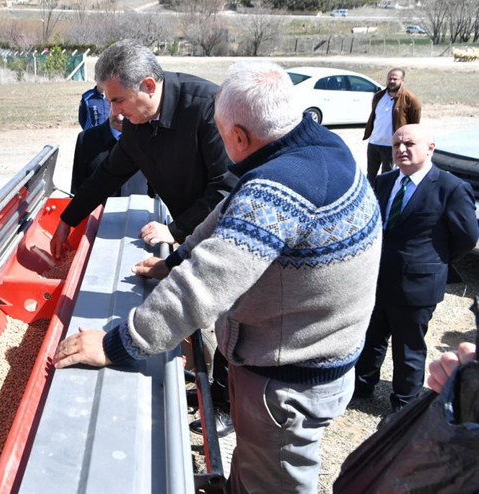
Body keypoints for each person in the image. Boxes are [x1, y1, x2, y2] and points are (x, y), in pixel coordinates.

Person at [53, 60, 383, 493]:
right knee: (253, 465)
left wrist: (115, 344)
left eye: (225, 136)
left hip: (286, 382)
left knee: (276, 480)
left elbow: (203, 288)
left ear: (241, 137)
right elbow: (226, 215)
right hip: (311, 353)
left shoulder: (278, 192)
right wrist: (173, 260)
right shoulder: (321, 148)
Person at [51, 39, 234, 259]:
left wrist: (175, 230)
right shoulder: (136, 123)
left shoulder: (208, 107)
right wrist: (67, 219)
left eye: (119, 100)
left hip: (230, 239)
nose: (115, 112)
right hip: (193, 236)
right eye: (109, 101)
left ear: (148, 86)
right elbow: (109, 173)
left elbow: (227, 187)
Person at [354, 124, 479, 419]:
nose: (401, 150)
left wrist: (434, 261)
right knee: (372, 337)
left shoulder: (450, 187)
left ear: (430, 148)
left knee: (408, 347)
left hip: (417, 285)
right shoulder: (384, 181)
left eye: (409, 144)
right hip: (379, 279)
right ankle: (362, 386)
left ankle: (403, 403)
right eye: (397, 144)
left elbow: (466, 236)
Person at [71, 102, 147, 197]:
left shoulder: (151, 138)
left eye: (126, 110)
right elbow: (77, 189)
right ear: (109, 103)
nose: (120, 118)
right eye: (117, 107)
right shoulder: (86, 139)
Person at [363, 68, 421, 183]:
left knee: (387, 177)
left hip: (392, 145)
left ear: (402, 80)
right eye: (390, 78)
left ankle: (384, 200)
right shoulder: (378, 96)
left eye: (395, 79)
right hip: (374, 143)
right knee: (370, 175)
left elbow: (414, 125)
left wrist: (405, 143)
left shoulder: (410, 99)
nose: (392, 81)